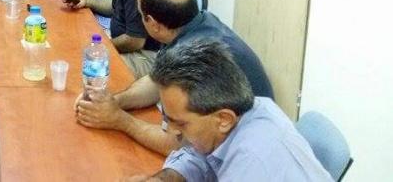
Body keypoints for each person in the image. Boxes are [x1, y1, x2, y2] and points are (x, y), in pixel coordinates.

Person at [76, 0, 274, 156]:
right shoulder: (194, 23)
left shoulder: (196, 56)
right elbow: (156, 82)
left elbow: (176, 144)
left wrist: (120, 120)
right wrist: (114, 102)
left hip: (244, 153)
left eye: (141, 15)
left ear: (153, 23)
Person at [124, 39, 330, 181]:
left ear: (224, 119)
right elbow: (200, 156)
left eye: (180, 124)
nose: (171, 131)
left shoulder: (252, 165)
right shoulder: (246, 108)